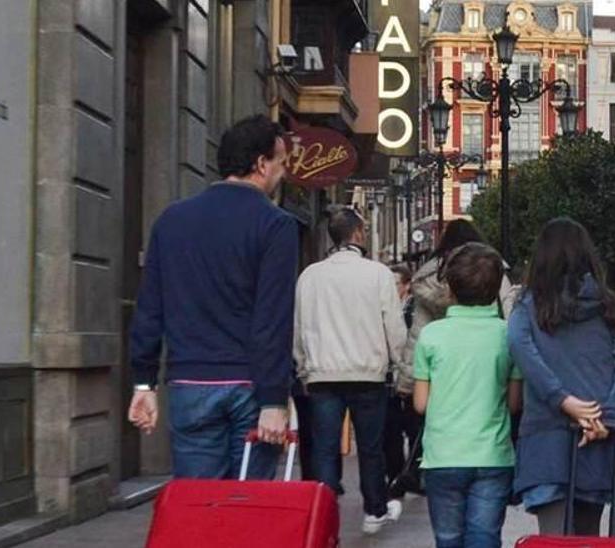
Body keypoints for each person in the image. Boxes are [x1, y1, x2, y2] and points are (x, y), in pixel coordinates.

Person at [127, 115, 296, 479]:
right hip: (248, 386)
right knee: (247, 510)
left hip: (189, 383)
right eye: (281, 163)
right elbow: (272, 319)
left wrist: (144, 382)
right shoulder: (275, 225)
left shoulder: (171, 220)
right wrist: (273, 399)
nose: (283, 173)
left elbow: (150, 307)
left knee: (201, 509)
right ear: (261, 164)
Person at [508, 218, 615, 535]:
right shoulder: (610, 307)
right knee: (588, 538)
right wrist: (606, 418)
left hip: (545, 438)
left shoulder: (529, 305)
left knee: (553, 538)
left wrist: (560, 399)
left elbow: (518, 344)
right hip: (596, 440)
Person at [293, 208, 407, 534]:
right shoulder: (378, 274)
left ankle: (326, 516)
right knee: (371, 447)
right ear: (357, 234)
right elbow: (394, 328)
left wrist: (303, 366)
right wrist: (399, 364)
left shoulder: (310, 276)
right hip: (368, 374)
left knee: (325, 449)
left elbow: (300, 328)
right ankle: (374, 509)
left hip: (322, 375)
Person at [413, 243, 523, 547]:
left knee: (448, 539)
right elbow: (514, 404)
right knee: (485, 538)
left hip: (442, 455)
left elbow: (420, 404)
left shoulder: (432, 335)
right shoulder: (508, 335)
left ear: (450, 287)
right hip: (493, 455)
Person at [400, 220, 516, 401]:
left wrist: (407, 383)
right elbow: (508, 313)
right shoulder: (492, 270)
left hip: (440, 379)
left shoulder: (430, 278)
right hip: (488, 371)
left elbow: (418, 331)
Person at [386, 263, 425, 498]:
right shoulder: (386, 308)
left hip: (410, 375)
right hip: (390, 378)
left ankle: (413, 472)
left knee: (413, 426)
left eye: (396, 285)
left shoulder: (413, 309)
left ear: (407, 286)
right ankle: (398, 472)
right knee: (391, 428)